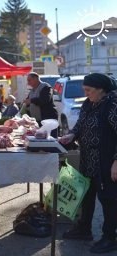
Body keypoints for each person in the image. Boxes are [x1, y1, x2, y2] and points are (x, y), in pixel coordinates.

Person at [59, 73, 117, 254]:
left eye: (88, 90)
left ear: (101, 89)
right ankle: (84, 229)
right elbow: (81, 124)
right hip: (88, 158)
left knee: (108, 199)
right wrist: (72, 135)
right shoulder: (88, 102)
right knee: (86, 194)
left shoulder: (112, 104)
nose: (86, 93)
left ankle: (110, 237)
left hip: (106, 161)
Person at [23, 72, 58, 137]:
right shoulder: (31, 90)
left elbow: (45, 100)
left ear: (35, 79)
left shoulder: (46, 87)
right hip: (38, 121)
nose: (28, 83)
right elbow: (28, 102)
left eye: (29, 80)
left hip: (48, 120)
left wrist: (31, 100)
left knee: (50, 140)